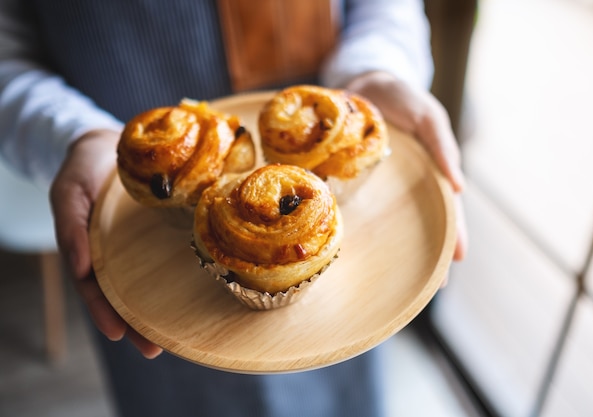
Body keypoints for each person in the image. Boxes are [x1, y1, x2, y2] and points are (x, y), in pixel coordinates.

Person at [0, 0, 467, 415]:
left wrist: (375, 69)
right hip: (146, 269)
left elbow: (386, 9)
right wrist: (75, 134)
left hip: (333, 312)